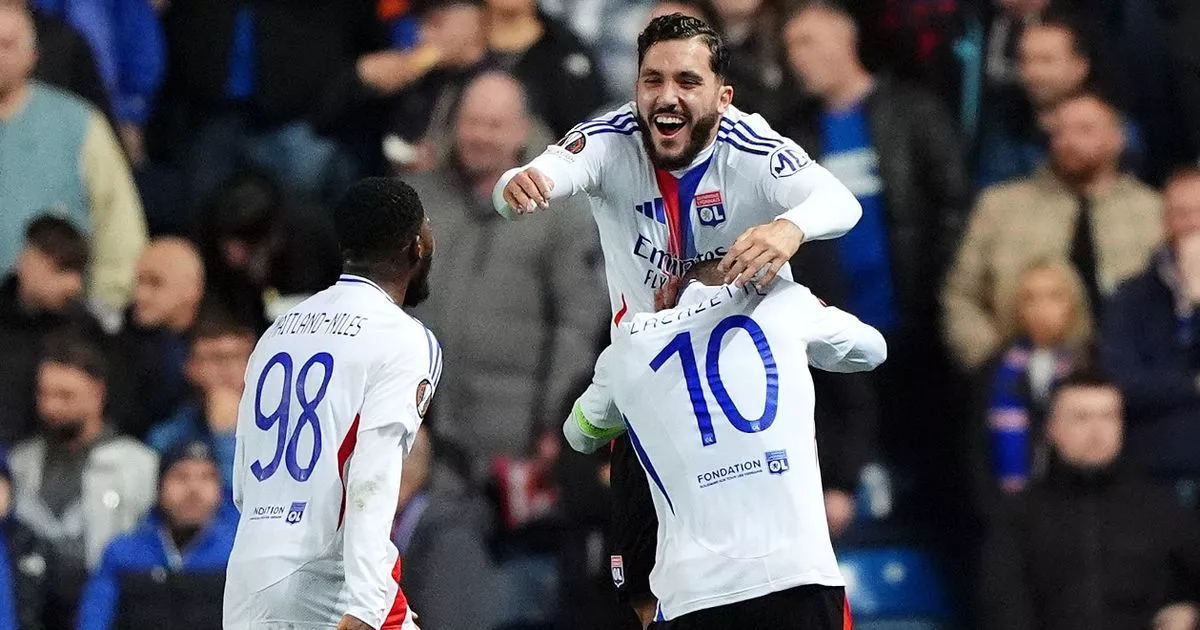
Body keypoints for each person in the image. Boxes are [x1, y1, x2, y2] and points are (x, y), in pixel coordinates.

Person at [493, 13, 861, 624]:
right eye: (652, 79)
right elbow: (541, 173)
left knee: (785, 570)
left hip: (750, 398)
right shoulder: (611, 141)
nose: (666, 96)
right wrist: (517, 185)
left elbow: (840, 202)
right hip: (652, 398)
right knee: (643, 588)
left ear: (724, 95)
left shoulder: (753, 148)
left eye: (687, 81)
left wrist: (788, 227)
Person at [563, 260, 886, 627]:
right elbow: (874, 350)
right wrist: (806, 318)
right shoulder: (785, 303)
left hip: (696, 591)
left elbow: (580, 433)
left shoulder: (629, 347)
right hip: (799, 576)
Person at [223, 177, 439, 630]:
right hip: (328, 575)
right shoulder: (403, 338)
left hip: (249, 572)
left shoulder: (278, 331)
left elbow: (243, 478)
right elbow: (372, 474)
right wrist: (365, 601)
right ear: (417, 244)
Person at [942, 92, 1162, 371]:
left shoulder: (1155, 211)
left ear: (1118, 138)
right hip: (1016, 382)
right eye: (1060, 131)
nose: (1069, 141)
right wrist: (994, 365)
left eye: (1085, 130)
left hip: (1133, 381)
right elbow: (961, 295)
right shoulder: (1000, 206)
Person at [980, 370, 1200, 630]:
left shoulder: (1161, 508)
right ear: (1052, 429)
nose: (1097, 432)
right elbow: (1003, 606)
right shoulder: (1019, 515)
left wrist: (1193, 614)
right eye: (1081, 418)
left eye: (1109, 417)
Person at [0, 3, 148, 316]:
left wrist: (103, 311)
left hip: (60, 320)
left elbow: (119, 228)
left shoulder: (79, 124)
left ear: (32, 55)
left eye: (7, 45)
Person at [10, 330, 157, 629]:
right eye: (44, 394)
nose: (50, 407)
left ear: (98, 394)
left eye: (65, 396)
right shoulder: (19, 462)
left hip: (108, 608)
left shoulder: (137, 464)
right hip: (28, 609)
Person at [1101, 169, 1200, 500]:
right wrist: (1192, 385)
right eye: (1183, 212)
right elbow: (1121, 383)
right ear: (1165, 221)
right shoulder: (1129, 297)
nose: (1194, 223)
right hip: (1156, 466)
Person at [77, 441, 237, 630]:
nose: (194, 489)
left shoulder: (237, 553)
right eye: (181, 477)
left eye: (207, 477)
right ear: (159, 487)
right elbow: (94, 619)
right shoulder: (122, 552)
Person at [986, 260, 1093, 494]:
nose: (1041, 308)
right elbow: (977, 455)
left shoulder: (1093, 367)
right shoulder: (995, 370)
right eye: (1030, 298)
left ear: (1073, 304)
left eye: (1054, 296)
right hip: (1012, 509)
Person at [0, 216, 100, 446]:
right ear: (28, 260)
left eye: (78, 271)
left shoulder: (85, 328)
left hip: (57, 453)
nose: (73, 284)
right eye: (61, 268)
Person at [145, 308, 257, 492]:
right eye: (215, 359)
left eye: (237, 358)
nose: (228, 370)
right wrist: (225, 435)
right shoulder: (166, 438)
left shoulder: (281, 428)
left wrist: (228, 436)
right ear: (191, 368)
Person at [111, 237, 206, 439]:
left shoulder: (223, 341)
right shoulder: (117, 348)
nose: (140, 295)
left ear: (193, 288)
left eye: (155, 283)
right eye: (138, 282)